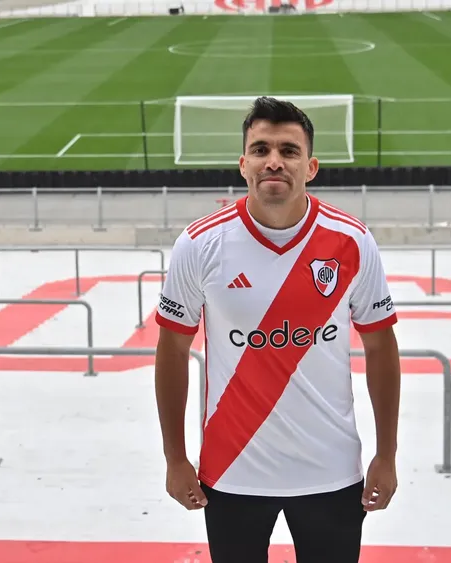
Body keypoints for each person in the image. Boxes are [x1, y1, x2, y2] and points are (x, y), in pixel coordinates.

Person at [153, 96, 402, 563]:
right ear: (243, 163)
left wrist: (386, 454)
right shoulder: (199, 244)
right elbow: (171, 351)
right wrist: (175, 457)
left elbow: (381, 347)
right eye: (261, 148)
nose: (274, 161)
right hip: (232, 471)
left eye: (288, 150)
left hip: (330, 469)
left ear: (311, 167)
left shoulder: (352, 241)